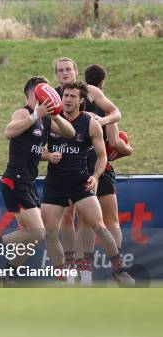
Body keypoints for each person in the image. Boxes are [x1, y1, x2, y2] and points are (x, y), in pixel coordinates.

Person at [0, 76, 74, 283]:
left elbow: (70, 132)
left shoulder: (47, 120)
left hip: (28, 183)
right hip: (15, 181)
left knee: (30, 238)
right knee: (39, 233)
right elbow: (9, 132)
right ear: (34, 94)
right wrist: (34, 115)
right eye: (46, 92)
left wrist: (56, 115)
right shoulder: (23, 113)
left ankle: (8, 274)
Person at [40, 81, 134, 286]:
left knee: (99, 225)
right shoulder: (50, 120)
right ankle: (64, 275)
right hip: (55, 182)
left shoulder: (90, 122)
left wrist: (96, 176)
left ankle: (119, 270)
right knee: (50, 231)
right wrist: (46, 155)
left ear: (82, 100)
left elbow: (102, 157)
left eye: (72, 96)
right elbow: (34, 150)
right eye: (65, 95)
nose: (67, 99)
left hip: (81, 181)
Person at [52, 57, 122, 277]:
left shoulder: (90, 91)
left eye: (68, 70)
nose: (64, 73)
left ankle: (116, 269)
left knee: (105, 218)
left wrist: (99, 122)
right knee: (68, 215)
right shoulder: (53, 97)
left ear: (75, 71)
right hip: (68, 162)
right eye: (60, 70)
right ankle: (75, 267)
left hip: (95, 159)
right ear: (56, 75)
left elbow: (116, 112)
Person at [75, 64, 133, 285]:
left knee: (85, 223)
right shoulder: (103, 106)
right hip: (102, 165)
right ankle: (117, 271)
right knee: (111, 221)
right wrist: (129, 150)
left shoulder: (75, 102)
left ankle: (85, 274)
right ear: (102, 83)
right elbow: (116, 143)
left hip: (80, 165)